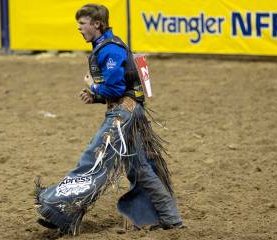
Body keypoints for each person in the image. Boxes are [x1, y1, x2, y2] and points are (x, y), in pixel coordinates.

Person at [35, 3, 184, 235]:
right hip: (130, 111)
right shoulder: (108, 46)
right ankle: (170, 218)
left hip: (123, 114)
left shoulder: (110, 50)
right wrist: (95, 96)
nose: (80, 29)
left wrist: (92, 86)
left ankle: (60, 210)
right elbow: (118, 87)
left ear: (97, 24)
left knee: (94, 160)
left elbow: (115, 88)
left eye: (82, 24)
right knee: (140, 168)